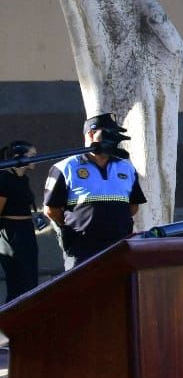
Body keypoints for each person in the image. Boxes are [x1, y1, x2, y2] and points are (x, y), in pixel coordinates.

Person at [43, 114, 146, 268]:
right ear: (91, 134)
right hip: (82, 249)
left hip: (119, 247)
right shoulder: (65, 167)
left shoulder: (126, 168)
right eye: (109, 133)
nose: (114, 139)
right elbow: (51, 210)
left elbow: (133, 206)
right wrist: (76, 227)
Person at [0, 141, 42, 300]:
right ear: (18, 156)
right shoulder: (4, 178)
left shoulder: (23, 178)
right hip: (12, 232)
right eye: (32, 156)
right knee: (18, 281)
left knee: (30, 280)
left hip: (26, 230)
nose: (36, 159)